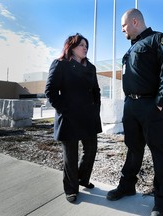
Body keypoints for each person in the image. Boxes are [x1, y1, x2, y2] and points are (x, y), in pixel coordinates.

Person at [106, 9, 163, 216]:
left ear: (135, 21)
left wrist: (159, 103)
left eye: (123, 26)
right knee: (133, 149)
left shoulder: (158, 40)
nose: (122, 30)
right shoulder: (131, 49)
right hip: (131, 106)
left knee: (159, 152)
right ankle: (127, 185)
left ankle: (162, 200)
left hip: (150, 106)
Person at [45, 33, 102, 203]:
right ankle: (71, 189)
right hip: (69, 117)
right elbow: (50, 90)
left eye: (86, 46)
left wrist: (95, 108)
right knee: (71, 156)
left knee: (91, 150)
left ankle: (82, 179)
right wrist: (64, 109)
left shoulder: (90, 67)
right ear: (71, 47)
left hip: (88, 117)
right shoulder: (60, 64)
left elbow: (96, 90)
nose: (85, 48)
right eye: (81, 45)